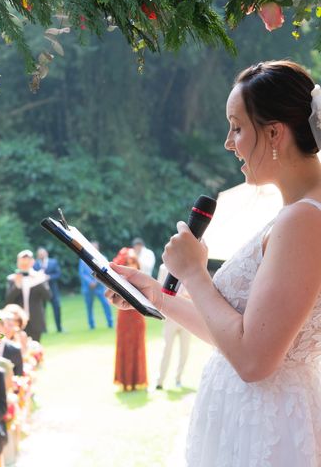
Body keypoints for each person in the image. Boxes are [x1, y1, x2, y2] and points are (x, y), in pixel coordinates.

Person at [106, 61, 321, 465]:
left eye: (237, 127)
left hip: (266, 428)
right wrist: (157, 294)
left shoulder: (304, 219)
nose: (228, 142)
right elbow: (238, 335)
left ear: (275, 132)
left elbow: (254, 360)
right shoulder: (298, 213)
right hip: (251, 416)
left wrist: (192, 272)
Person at [112, 248, 147, 391]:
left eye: (133, 262)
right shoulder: (119, 281)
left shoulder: (142, 279)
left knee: (138, 347)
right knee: (124, 347)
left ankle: (137, 381)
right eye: (128, 262)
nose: (131, 265)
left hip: (137, 316)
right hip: (124, 318)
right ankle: (125, 382)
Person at [154, 264, 192, 390]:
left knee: (184, 351)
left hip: (187, 317)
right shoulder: (164, 268)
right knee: (166, 349)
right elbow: (159, 289)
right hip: (170, 317)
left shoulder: (191, 266)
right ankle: (160, 380)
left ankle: (178, 378)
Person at [5, 250, 51, 341]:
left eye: (27, 260)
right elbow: (8, 301)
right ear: (18, 263)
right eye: (22, 260)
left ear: (32, 262)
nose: (25, 263)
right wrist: (17, 285)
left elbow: (48, 297)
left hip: (36, 319)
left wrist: (39, 281)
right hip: (17, 321)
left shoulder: (39, 277)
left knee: (36, 349)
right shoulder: (12, 279)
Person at [78, 241, 114, 329]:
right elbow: (81, 273)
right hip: (87, 288)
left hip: (100, 287)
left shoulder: (102, 258)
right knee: (89, 307)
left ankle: (110, 323)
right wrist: (90, 282)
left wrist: (95, 282)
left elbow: (105, 273)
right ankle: (91, 325)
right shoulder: (83, 259)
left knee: (106, 304)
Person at [34, 247, 64, 332]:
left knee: (57, 308)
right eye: (40, 254)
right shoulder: (35, 264)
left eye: (43, 253)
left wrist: (49, 277)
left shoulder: (53, 262)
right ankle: (43, 329)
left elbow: (58, 274)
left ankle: (59, 327)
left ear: (46, 253)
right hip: (40, 291)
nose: (41, 255)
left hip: (53, 290)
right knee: (41, 310)